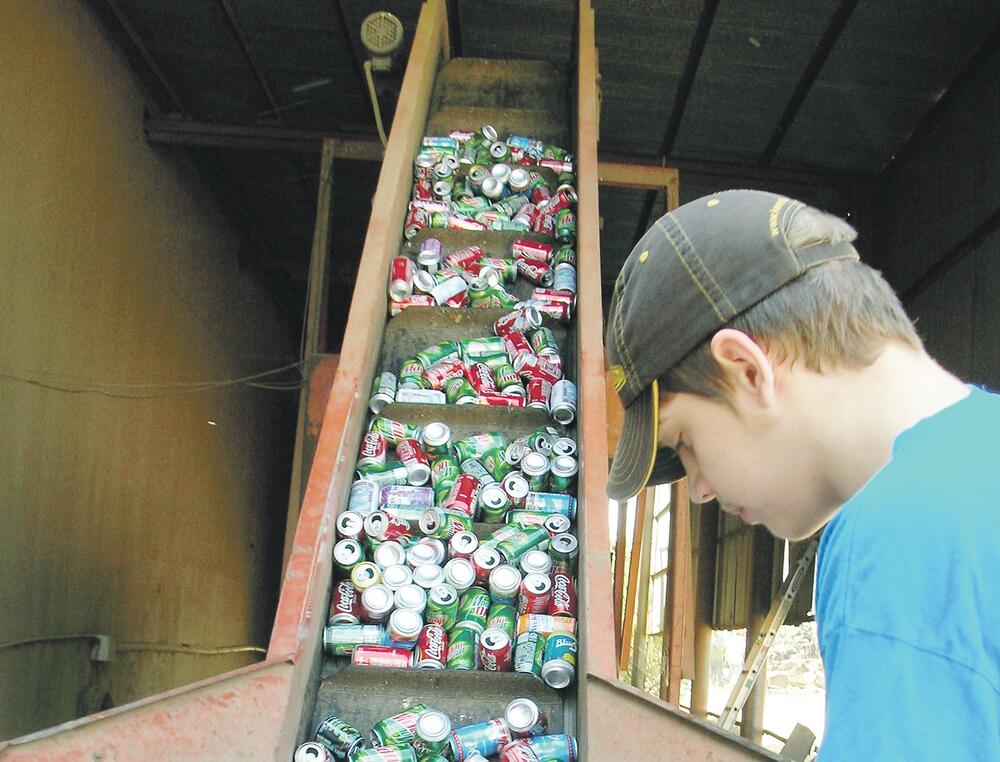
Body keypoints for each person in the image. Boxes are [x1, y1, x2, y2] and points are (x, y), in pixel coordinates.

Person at [604, 189, 999, 760]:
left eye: (685, 443)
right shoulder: (977, 462)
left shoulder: (901, 530)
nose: (699, 491)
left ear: (747, 370)